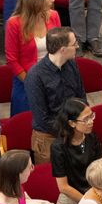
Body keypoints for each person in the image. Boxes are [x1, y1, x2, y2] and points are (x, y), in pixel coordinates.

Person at [25, 27, 86, 164]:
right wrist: (70, 129)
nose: (77, 46)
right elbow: (42, 119)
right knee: (51, 182)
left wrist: (79, 124)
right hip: (49, 139)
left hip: (73, 132)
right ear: (62, 50)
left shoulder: (72, 65)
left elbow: (81, 97)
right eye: (74, 44)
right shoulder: (35, 76)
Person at [51, 99, 102, 204]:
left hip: (93, 194)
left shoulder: (92, 138)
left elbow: (97, 170)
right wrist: (88, 202)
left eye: (91, 116)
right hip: (71, 200)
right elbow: (63, 187)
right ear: (72, 123)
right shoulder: (58, 147)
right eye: (86, 119)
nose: (91, 122)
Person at [5, 0, 61, 115]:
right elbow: (12, 60)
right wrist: (32, 82)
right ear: (36, 2)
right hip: (26, 80)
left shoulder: (54, 16)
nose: (53, 0)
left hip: (52, 77)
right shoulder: (14, 24)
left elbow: (60, 47)